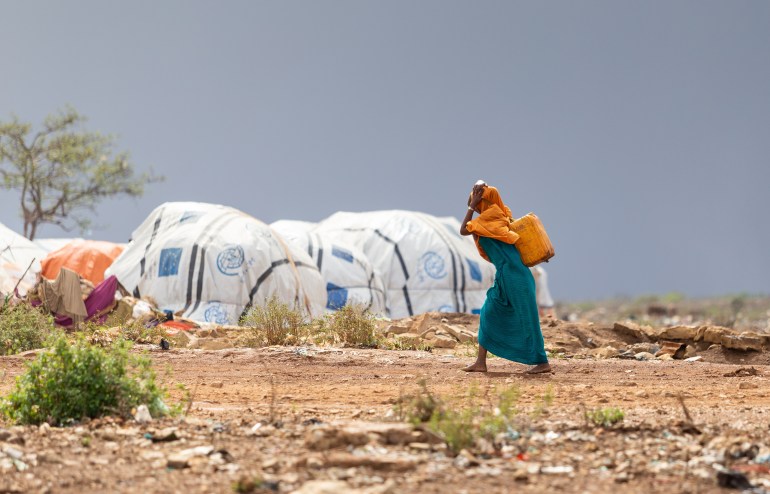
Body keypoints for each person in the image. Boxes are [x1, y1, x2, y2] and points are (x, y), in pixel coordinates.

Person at [459, 182, 551, 374]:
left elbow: (463, 230)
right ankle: (480, 362)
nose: (474, 206)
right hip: (505, 274)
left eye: (477, 201)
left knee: (528, 318)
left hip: (516, 276)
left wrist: (470, 206)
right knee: (488, 313)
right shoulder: (501, 216)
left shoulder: (490, 218)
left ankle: (542, 362)